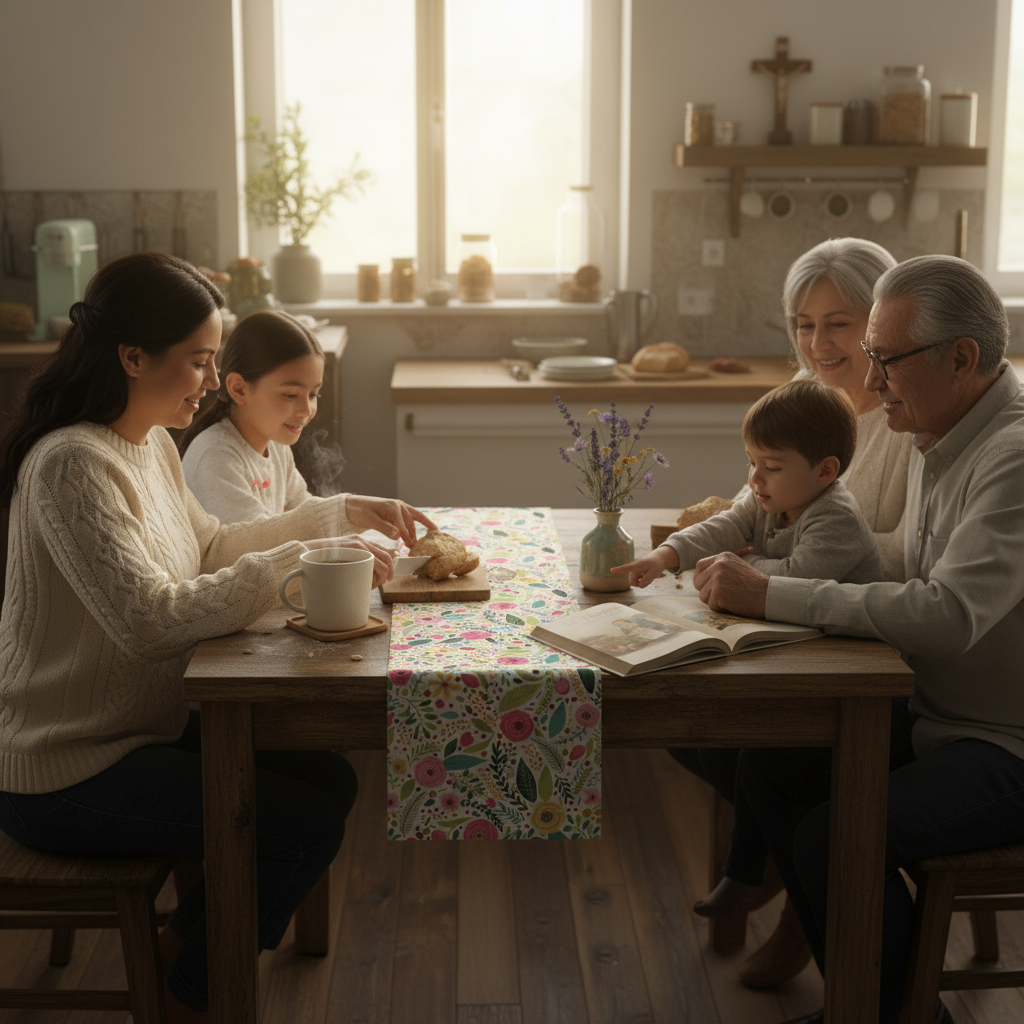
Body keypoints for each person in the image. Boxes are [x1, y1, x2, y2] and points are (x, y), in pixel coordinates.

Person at [0, 252, 437, 1023]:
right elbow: (148, 623)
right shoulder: (72, 465)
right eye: (199, 360)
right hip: (66, 770)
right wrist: (299, 557)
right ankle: (192, 995)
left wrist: (338, 515)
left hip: (136, 735)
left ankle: (179, 953)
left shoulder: (150, 446)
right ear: (133, 356)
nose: (209, 380)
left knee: (329, 781)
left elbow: (210, 550)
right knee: (299, 826)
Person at [691, 254, 1024, 1024]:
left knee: (834, 834)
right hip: (945, 718)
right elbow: (905, 567)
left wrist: (774, 591)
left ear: (962, 358)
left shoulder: (1010, 455)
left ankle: (894, 1013)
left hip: (1005, 745)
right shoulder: (943, 428)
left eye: (886, 361)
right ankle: (870, 1000)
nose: (870, 385)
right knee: (772, 767)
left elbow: (946, 613)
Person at [664, 237, 915, 990]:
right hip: (798, 631)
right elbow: (757, 503)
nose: (819, 342)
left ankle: (794, 907)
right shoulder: (810, 404)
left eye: (840, 322)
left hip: (866, 648)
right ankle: (772, 865)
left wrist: (784, 561)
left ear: (884, 325)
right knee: (693, 729)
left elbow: (910, 555)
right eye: (804, 324)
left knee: (767, 752)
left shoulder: (907, 418)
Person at [613, 378, 883, 925]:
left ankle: (748, 870)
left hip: (839, 674)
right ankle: (767, 854)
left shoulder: (836, 519)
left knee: (755, 756)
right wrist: (667, 556)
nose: (755, 479)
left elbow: (795, 581)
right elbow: (727, 527)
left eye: (771, 466)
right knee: (695, 740)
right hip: (784, 650)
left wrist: (739, 569)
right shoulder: (765, 499)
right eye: (751, 463)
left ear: (825, 471)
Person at [179, 309, 331, 524]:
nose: (306, 410)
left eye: (314, 394)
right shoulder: (215, 457)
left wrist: (352, 516)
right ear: (239, 389)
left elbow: (303, 510)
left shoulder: (275, 444)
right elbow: (255, 547)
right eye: (290, 395)